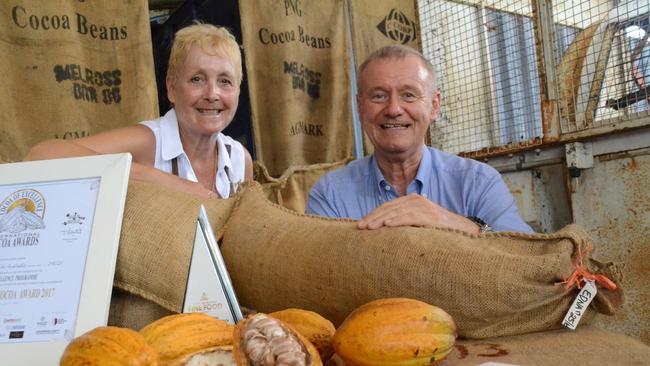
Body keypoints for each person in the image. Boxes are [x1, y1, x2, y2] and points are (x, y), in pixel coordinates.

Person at [306, 45, 532, 233]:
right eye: (379, 96)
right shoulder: (330, 195)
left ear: (434, 106)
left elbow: (524, 256)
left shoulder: (478, 182)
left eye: (409, 95)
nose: (394, 109)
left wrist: (451, 223)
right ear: (359, 106)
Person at [25, 23, 253, 199]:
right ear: (171, 88)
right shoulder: (149, 142)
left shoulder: (240, 159)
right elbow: (41, 156)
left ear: (238, 90)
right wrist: (172, 184)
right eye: (196, 79)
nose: (212, 93)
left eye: (225, 81)